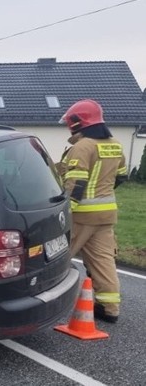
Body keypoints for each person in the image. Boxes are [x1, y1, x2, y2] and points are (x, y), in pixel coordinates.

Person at [58, 99, 127, 323]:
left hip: (82, 215)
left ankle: (40, 302)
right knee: (103, 261)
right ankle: (109, 309)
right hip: (107, 214)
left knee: (56, 256)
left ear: (77, 122)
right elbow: (122, 175)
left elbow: (76, 184)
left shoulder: (83, 146)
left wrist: (65, 212)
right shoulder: (115, 145)